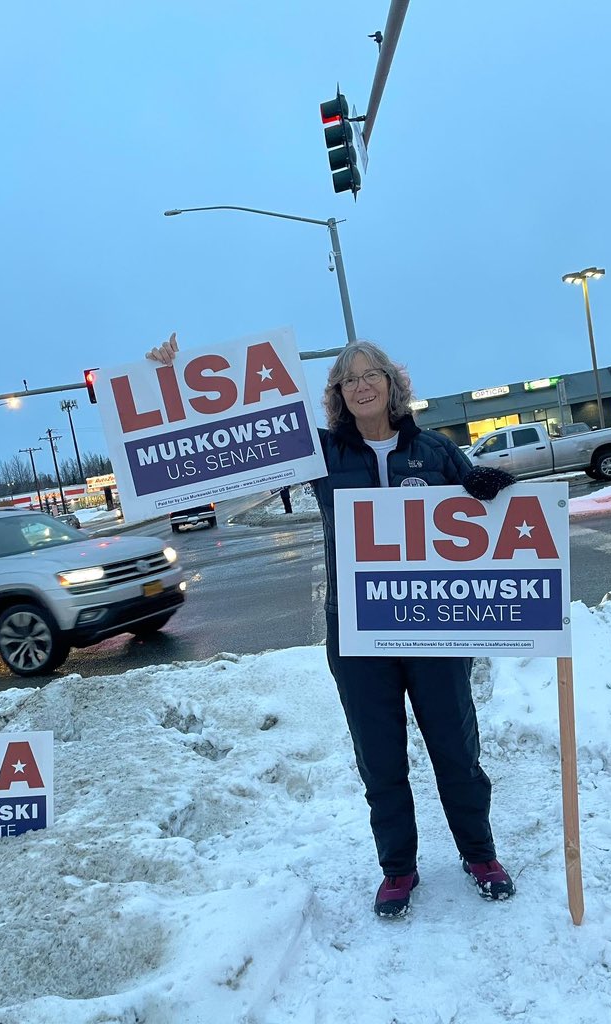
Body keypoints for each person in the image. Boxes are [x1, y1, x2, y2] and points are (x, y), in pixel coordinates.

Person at [146, 333, 516, 918]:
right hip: (358, 633)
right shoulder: (320, 455)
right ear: (339, 394)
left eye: (372, 374)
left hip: (435, 629)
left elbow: (481, 515)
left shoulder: (438, 451)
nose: (362, 385)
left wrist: (487, 488)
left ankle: (480, 854)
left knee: (457, 749)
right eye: (350, 379)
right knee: (380, 757)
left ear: (393, 384)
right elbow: (231, 442)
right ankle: (398, 869)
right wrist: (171, 379)